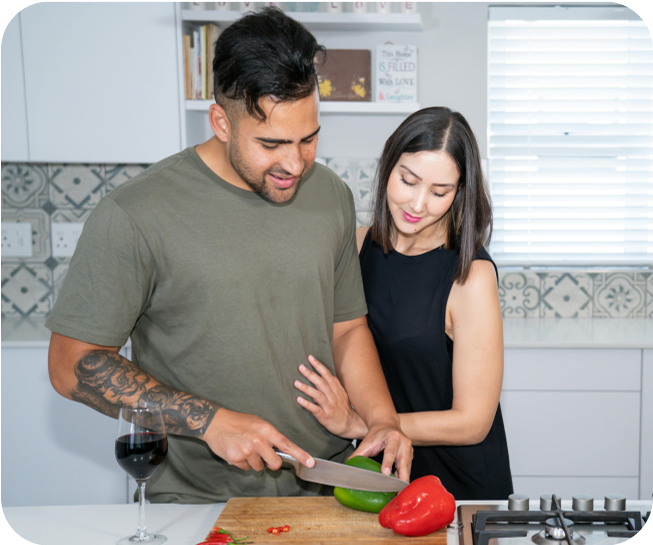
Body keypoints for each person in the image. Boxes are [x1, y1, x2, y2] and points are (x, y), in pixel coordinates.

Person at [46, 7, 412, 504]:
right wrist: (210, 421)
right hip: (198, 499)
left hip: (330, 488)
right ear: (220, 121)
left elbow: (346, 328)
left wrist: (383, 421)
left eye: (309, 138)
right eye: (271, 143)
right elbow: (72, 365)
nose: (294, 163)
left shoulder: (331, 195)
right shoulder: (134, 214)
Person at [293, 107, 514, 500]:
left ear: (460, 191)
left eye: (440, 192)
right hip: (382, 475)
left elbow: (473, 422)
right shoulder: (359, 246)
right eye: (408, 181)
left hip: (457, 484)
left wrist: (363, 425)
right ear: (388, 167)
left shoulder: (471, 276)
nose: (417, 204)